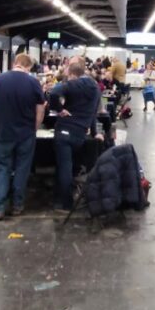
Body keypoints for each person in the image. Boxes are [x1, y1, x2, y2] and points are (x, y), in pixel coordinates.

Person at [0, 53, 46, 220]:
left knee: (3, 168)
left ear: (15, 63)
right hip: (26, 132)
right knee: (22, 168)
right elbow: (40, 108)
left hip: (4, 131)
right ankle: (17, 205)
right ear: (28, 67)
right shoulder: (33, 82)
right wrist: (34, 126)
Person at [47, 60, 101, 211]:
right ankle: (71, 197)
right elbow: (93, 113)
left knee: (64, 167)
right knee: (72, 166)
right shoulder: (95, 87)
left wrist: (58, 109)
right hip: (80, 134)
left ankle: (64, 203)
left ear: (72, 74)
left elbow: (54, 92)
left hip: (65, 130)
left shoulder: (74, 83)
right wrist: (95, 132)